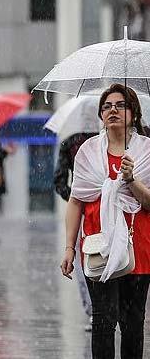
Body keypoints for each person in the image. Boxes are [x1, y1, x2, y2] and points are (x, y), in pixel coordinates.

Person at [60, 84, 150, 359]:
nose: (112, 110)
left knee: (133, 324)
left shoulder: (146, 151)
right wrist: (68, 249)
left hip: (139, 249)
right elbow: (76, 201)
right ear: (101, 115)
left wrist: (131, 179)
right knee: (102, 322)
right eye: (107, 106)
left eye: (120, 105)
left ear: (133, 114)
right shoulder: (87, 151)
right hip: (98, 247)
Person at [54, 131, 98, 330]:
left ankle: (98, 309)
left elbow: (60, 181)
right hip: (85, 213)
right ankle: (94, 309)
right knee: (86, 259)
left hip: (111, 210)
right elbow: (60, 182)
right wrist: (78, 198)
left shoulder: (120, 140)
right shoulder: (73, 144)